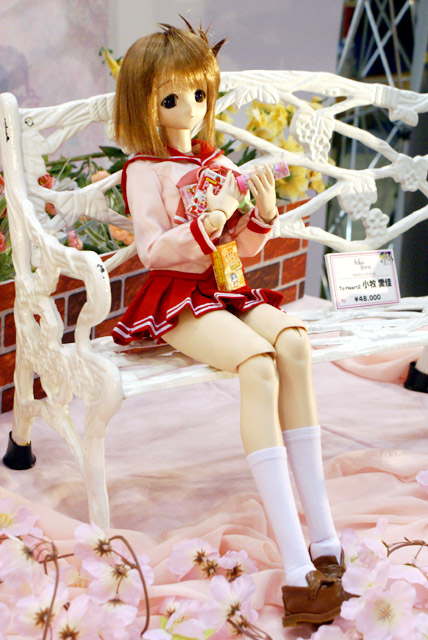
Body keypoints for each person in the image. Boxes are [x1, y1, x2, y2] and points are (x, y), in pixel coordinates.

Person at [112, 20, 346, 626]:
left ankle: (325, 536)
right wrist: (207, 220)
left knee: (293, 342)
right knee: (259, 365)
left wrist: (259, 215)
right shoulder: (143, 170)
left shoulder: (216, 160)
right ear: (144, 103)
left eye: (198, 94)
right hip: (176, 295)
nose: (190, 109)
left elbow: (237, 251)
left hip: (226, 284)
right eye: (172, 98)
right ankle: (296, 566)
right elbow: (152, 251)